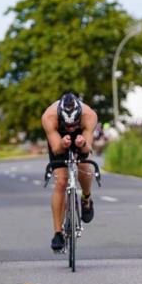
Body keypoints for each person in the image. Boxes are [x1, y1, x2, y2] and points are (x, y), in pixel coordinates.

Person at [42, 92, 98, 252]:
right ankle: (58, 232)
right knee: (60, 181)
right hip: (58, 139)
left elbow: (87, 149)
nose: (71, 128)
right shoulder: (49, 117)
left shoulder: (89, 115)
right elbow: (56, 148)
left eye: (74, 124)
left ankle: (86, 198)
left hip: (81, 138)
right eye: (68, 125)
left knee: (84, 168)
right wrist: (62, 143)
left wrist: (82, 143)